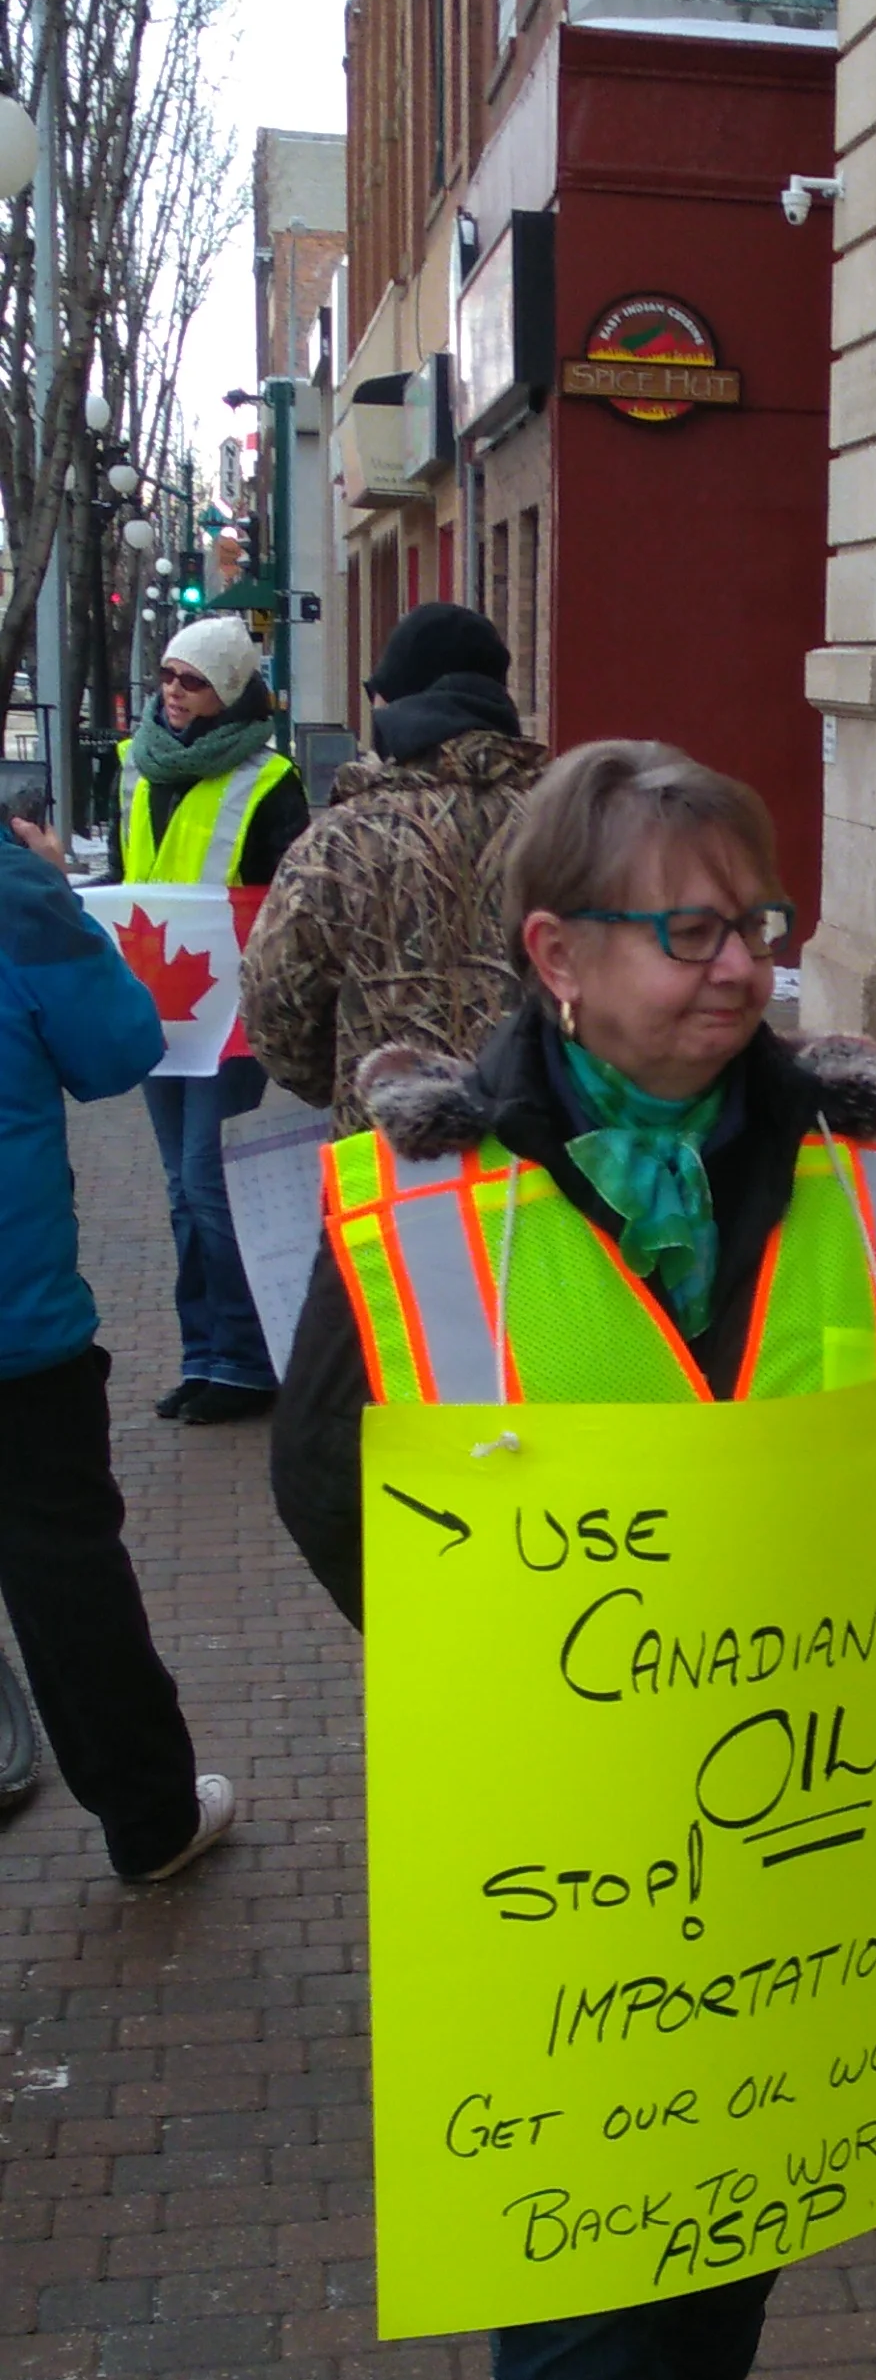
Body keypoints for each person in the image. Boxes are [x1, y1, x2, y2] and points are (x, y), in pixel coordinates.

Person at [270, 739, 876, 2380]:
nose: (741, 965)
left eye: (760, 924)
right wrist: (512, 1675)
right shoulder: (428, 1191)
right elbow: (321, 1479)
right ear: (558, 954)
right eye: (693, 929)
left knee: (730, 2246)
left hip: (791, 1834)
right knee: (578, 2284)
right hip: (560, 1843)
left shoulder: (860, 1170)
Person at [0, 809, 234, 1882]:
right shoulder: (17, 897)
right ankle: (149, 1818)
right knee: (62, 1566)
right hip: (14, 1326)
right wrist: (53, 891)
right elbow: (115, 1051)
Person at [239, 602, 548, 1135]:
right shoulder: (570, 827)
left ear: (398, 700)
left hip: (387, 1163)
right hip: (543, 1161)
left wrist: (350, 1082)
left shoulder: (344, 841)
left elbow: (275, 1007)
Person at [122, 614, 308, 1426]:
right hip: (156, 1006)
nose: (173, 692)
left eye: (191, 680)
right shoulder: (137, 766)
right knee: (178, 1190)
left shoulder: (271, 780)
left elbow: (291, 897)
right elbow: (133, 876)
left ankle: (247, 1358)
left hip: (231, 1014)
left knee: (208, 1183)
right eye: (167, 675)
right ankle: (205, 1355)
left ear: (230, 691)